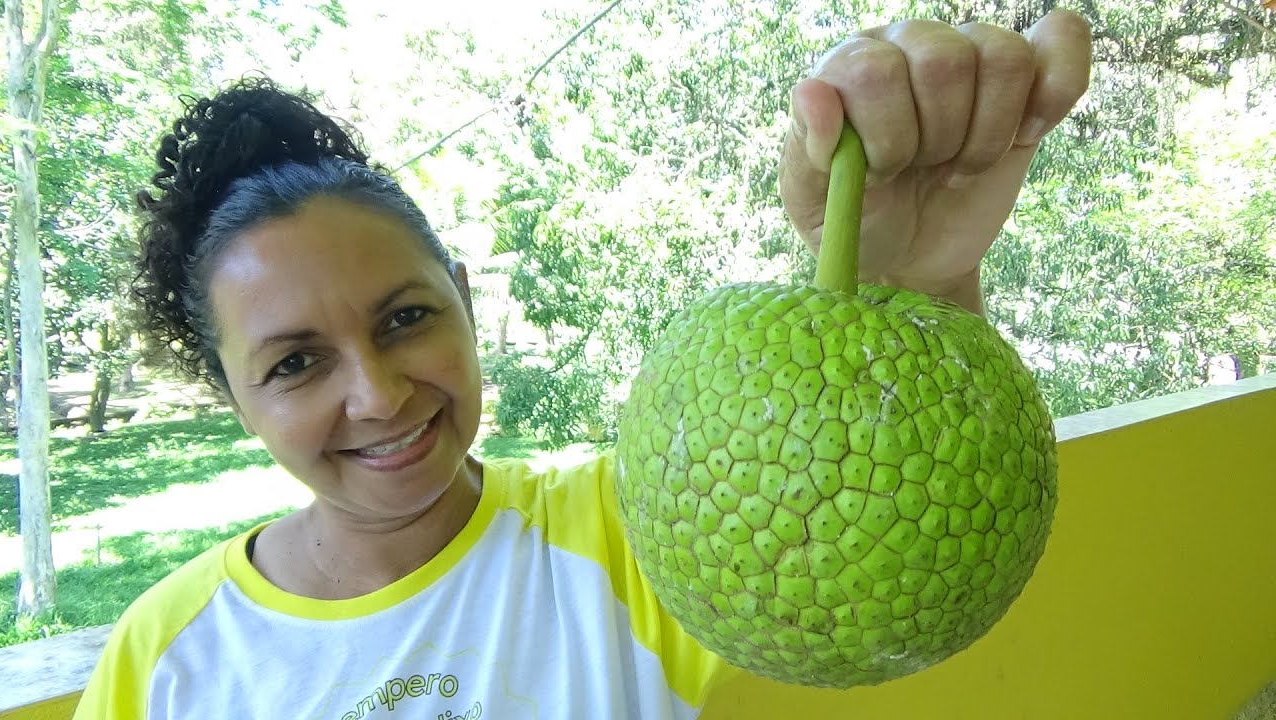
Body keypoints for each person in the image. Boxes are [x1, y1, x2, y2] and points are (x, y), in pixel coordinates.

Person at [73, 10, 1091, 719]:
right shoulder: (164, 660)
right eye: (295, 363)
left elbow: (888, 559)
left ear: (465, 302)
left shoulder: (647, 530)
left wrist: (903, 286)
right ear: (231, 397)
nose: (377, 394)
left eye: (405, 318)